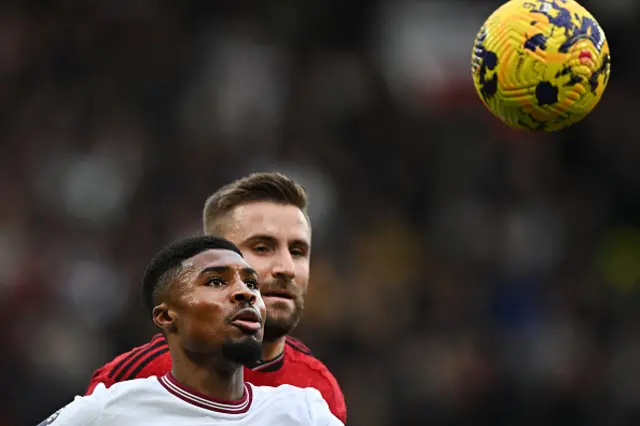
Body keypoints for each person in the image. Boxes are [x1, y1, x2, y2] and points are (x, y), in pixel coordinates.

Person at [85, 172, 347, 423]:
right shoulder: (132, 380)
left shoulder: (317, 392)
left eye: (298, 251)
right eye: (261, 248)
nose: (286, 268)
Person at [38, 236, 343, 425]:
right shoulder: (110, 411)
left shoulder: (304, 411)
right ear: (167, 317)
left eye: (251, 283)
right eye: (215, 282)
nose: (246, 293)